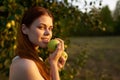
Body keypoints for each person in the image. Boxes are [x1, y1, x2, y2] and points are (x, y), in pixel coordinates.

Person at [9, 6, 67, 80]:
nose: (48, 33)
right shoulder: (25, 65)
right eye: (41, 27)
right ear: (24, 29)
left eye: (50, 28)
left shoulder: (34, 60)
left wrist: (55, 68)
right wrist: (53, 63)